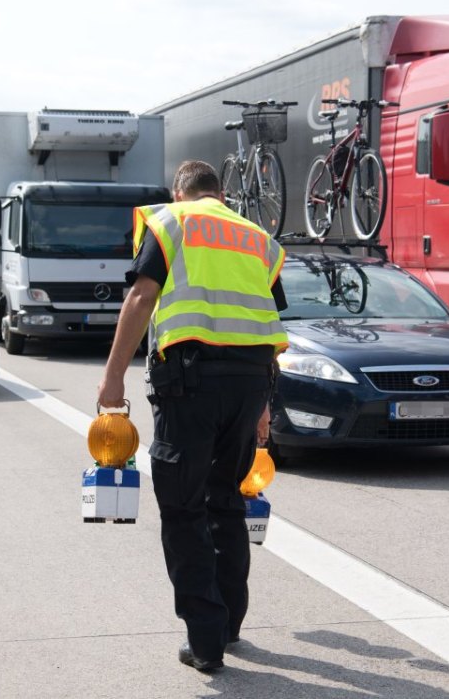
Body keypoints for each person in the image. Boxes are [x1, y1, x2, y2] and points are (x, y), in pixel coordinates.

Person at [97, 160, 288, 673]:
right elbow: (267, 321)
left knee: (183, 508)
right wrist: (264, 406)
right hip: (249, 387)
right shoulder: (257, 237)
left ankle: (205, 641)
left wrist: (113, 378)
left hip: (191, 383)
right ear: (220, 193)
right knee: (225, 501)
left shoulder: (172, 222)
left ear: (179, 192)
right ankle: (229, 624)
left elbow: (141, 297)